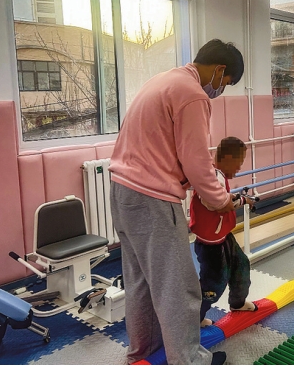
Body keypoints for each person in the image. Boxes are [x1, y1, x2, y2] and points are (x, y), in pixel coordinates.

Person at [108, 39, 244, 365]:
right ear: (219, 69)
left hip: (122, 191)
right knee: (179, 287)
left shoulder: (162, 80)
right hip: (152, 198)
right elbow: (197, 161)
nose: (220, 90)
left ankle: (144, 353)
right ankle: (189, 360)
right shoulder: (193, 94)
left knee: (141, 282)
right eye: (225, 83)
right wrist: (221, 200)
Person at [189, 137, 257, 328]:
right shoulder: (212, 178)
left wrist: (238, 197)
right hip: (209, 245)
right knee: (213, 284)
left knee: (241, 265)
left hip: (224, 237)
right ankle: (194, 319)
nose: (239, 168)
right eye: (238, 163)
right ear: (227, 158)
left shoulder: (218, 175)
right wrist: (244, 201)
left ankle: (238, 302)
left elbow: (224, 197)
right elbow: (219, 205)